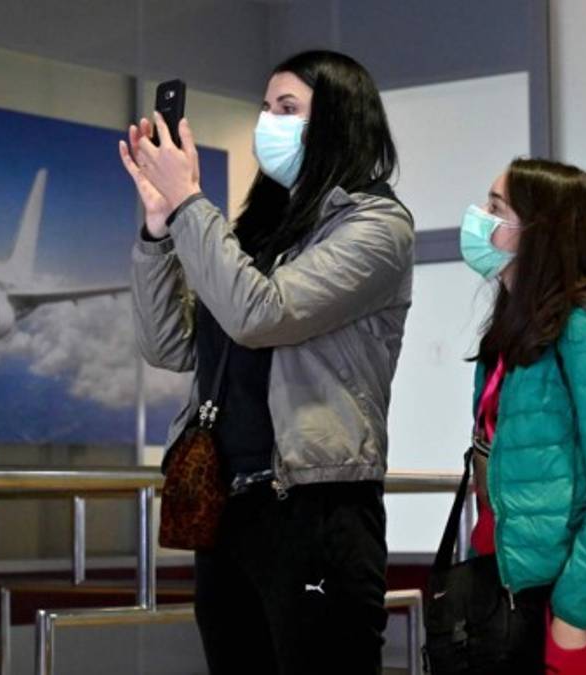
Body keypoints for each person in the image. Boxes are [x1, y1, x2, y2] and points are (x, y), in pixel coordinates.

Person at [119, 50, 414, 674]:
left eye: (288, 108)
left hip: (314, 504)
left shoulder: (377, 225)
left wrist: (189, 201)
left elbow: (262, 314)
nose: (268, 123)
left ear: (337, 120)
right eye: (265, 107)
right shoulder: (259, 230)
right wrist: (159, 230)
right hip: (227, 506)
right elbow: (169, 344)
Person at [460, 158, 586, 674]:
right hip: (517, 600)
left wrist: (574, 614)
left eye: (496, 208)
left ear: (543, 231)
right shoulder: (514, 334)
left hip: (580, 612)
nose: (479, 217)